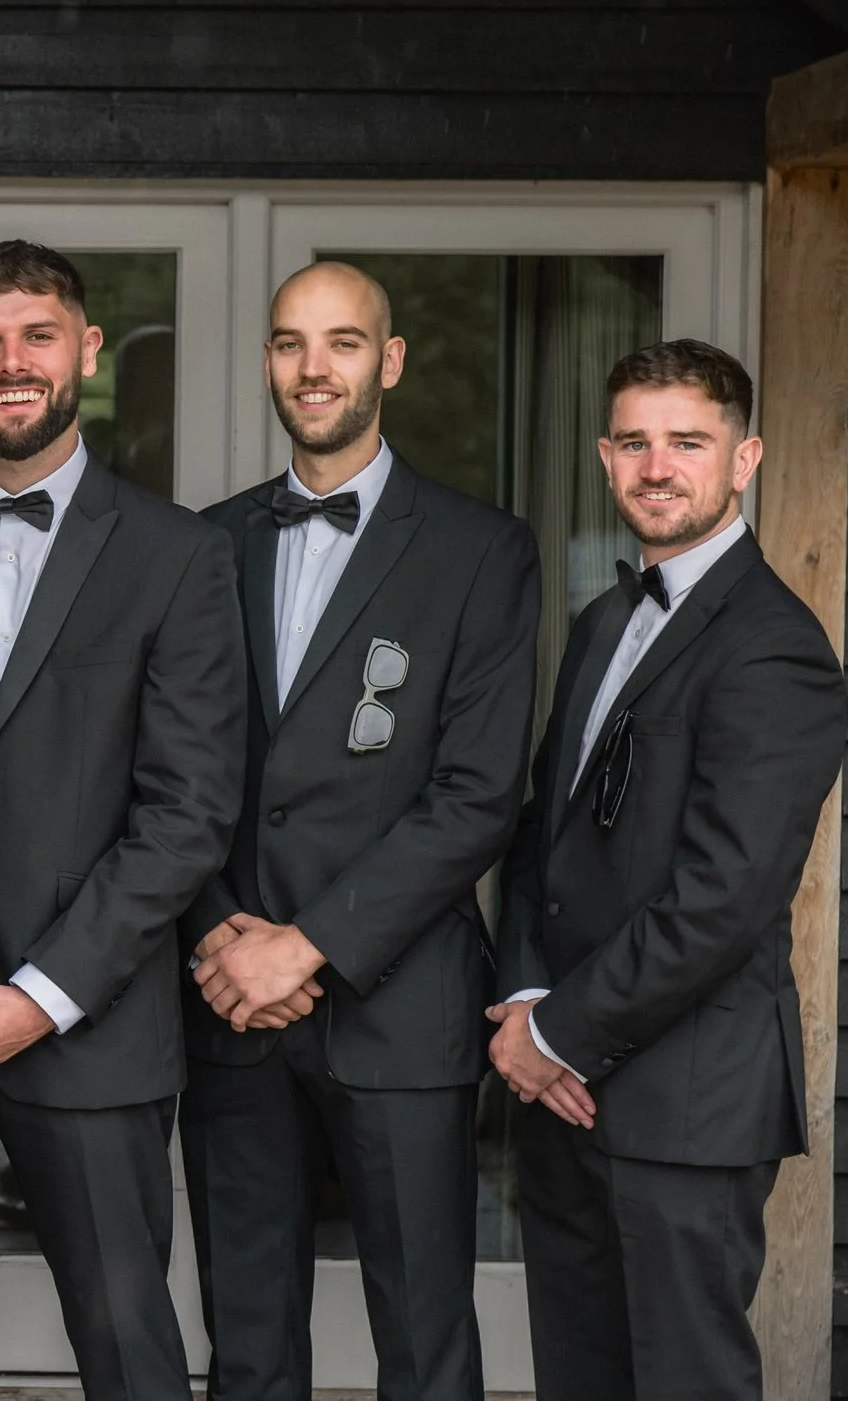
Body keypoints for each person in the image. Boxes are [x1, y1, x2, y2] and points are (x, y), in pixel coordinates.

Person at [0, 241, 245, 1401]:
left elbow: (186, 813)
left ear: (85, 349)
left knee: (128, 1350)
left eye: (35, 335)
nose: (10, 361)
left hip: (91, 1016)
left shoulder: (179, 555)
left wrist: (39, 994)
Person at [183, 260, 540, 1401]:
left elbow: (477, 794)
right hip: (226, 997)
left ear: (387, 361)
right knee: (246, 1339)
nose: (312, 367)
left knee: (425, 1336)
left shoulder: (481, 549)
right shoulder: (204, 543)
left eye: (342, 342)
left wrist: (308, 943)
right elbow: (163, 772)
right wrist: (216, 932)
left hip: (400, 1001)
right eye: (289, 343)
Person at [492, 338, 846, 1401]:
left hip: (686, 1100)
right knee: (579, 1377)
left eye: (687, 442)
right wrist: (520, 1000)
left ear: (743, 459)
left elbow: (722, 898)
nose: (658, 466)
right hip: (556, 1085)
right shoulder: (605, 621)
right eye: (636, 442)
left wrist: (554, 1034)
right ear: (603, 458)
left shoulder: (773, 645)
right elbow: (539, 839)